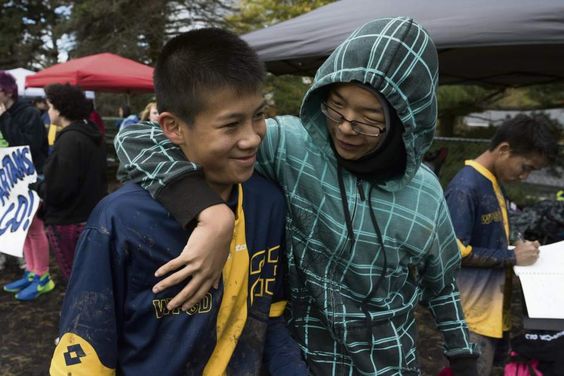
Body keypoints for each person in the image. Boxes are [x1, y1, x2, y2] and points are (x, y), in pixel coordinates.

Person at [115, 18, 478, 375]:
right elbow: (138, 140)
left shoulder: (426, 196)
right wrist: (209, 212)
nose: (347, 126)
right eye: (337, 105)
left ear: (404, 121)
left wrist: (463, 357)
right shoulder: (290, 146)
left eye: (369, 117)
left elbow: (440, 284)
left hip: (388, 365)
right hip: (298, 358)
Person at [50, 28, 307, 375]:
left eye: (258, 116)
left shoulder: (267, 202)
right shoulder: (121, 220)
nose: (251, 138)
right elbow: (85, 356)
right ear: (173, 127)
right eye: (231, 125)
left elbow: (271, 319)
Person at [444, 114, 559, 375]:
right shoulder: (465, 187)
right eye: (525, 167)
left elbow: (494, 233)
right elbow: (454, 251)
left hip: (493, 311)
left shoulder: (492, 181)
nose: (525, 176)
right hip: (470, 316)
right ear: (504, 149)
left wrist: (518, 245)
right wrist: (513, 257)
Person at [34, 83, 107, 281]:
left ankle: (82, 312)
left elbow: (57, 189)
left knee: (77, 279)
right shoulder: (91, 135)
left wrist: (37, 186)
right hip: (91, 217)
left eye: (50, 106)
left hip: (68, 222)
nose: (49, 111)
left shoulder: (68, 140)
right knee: (92, 277)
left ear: (60, 108)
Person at [0, 70, 54, 301]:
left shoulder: (28, 112)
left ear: (6, 92)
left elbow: (26, 146)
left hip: (31, 178)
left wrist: (3, 117)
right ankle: (32, 272)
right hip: (11, 178)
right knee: (25, 228)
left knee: (35, 226)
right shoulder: (10, 112)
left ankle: (43, 277)